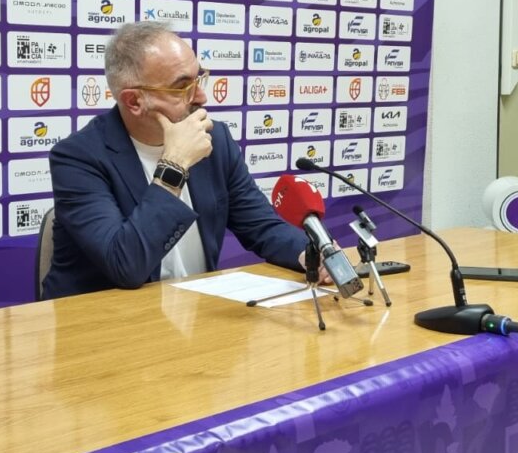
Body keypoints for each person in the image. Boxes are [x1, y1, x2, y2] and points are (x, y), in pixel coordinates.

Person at [41, 21, 324, 300]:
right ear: (134, 101)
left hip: (195, 312)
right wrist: (174, 165)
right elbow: (125, 265)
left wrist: (313, 254)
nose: (201, 96)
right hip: (103, 319)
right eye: (182, 87)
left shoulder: (215, 140)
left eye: (199, 78)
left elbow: (262, 226)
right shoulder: (78, 157)